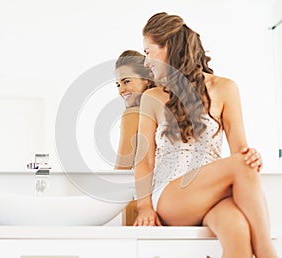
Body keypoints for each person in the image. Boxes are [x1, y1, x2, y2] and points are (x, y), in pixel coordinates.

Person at [133, 12, 278, 258]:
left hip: (212, 195)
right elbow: (144, 159)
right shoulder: (152, 98)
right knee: (242, 165)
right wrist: (144, 206)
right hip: (171, 196)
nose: (145, 62)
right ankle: (268, 254)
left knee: (238, 230)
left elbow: (240, 151)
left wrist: (252, 156)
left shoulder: (225, 88)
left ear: (167, 46)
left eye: (148, 52)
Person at [114, 50, 156, 225]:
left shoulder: (132, 114)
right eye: (117, 85)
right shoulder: (164, 109)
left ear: (146, 79)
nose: (121, 90)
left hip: (139, 201)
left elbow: (122, 171)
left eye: (127, 81)